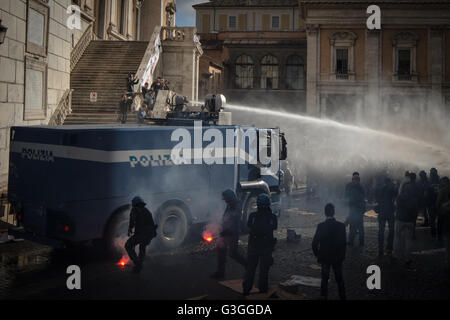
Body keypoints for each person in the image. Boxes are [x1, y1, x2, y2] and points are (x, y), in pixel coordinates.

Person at [243, 194, 277, 296]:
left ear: (257, 204)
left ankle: (246, 290)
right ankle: (262, 290)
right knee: (264, 270)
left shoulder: (252, 216)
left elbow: (248, 227)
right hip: (266, 247)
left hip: (253, 246)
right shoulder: (272, 217)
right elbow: (274, 227)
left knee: (250, 269)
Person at [312, 203, 347, 300]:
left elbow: (314, 244)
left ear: (325, 213)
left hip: (325, 257)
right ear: (334, 212)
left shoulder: (321, 226)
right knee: (340, 280)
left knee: (324, 280)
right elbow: (344, 244)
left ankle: (324, 297)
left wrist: (318, 255)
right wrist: (342, 256)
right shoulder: (341, 226)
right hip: (337, 258)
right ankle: (342, 297)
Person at [210, 190, 247, 279]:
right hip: (225, 231)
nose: (223, 200)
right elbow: (226, 217)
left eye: (224, 198)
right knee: (221, 251)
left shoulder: (237, 205)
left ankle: (248, 266)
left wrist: (226, 229)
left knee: (233, 253)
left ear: (229, 197)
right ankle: (220, 272)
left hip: (233, 233)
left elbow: (234, 219)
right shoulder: (229, 204)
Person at [125, 196, 158, 273]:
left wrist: (130, 229)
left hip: (143, 233)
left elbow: (132, 221)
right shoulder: (147, 210)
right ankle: (139, 264)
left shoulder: (135, 210)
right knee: (142, 247)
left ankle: (138, 264)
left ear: (134, 204)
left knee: (128, 245)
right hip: (151, 234)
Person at [394, 173, 420, 268]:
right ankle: (407, 258)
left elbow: (396, 206)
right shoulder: (414, 199)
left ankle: (396, 255)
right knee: (408, 240)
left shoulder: (400, 197)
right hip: (410, 220)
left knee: (397, 238)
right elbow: (415, 210)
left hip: (400, 219)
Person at [375, 177, 397, 257]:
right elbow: (396, 195)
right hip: (389, 212)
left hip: (382, 212)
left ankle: (381, 249)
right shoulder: (391, 189)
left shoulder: (379, 188)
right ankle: (389, 248)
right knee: (391, 231)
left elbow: (376, 198)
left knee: (381, 231)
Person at [345, 172, 366, 246]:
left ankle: (354, 241)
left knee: (356, 226)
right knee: (357, 226)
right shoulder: (359, 186)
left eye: (355, 179)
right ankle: (359, 242)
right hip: (356, 208)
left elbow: (347, 196)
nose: (354, 180)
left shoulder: (356, 186)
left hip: (357, 208)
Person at [436, 177, 450, 272]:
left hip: (446, 218)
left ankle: (448, 264)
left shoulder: (442, 191)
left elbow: (437, 203)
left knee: (448, 244)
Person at [429, 168, 441, 239]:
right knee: (439, 219)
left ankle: (433, 233)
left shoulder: (430, 182)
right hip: (438, 203)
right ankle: (438, 233)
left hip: (432, 203)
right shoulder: (439, 181)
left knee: (432, 219)